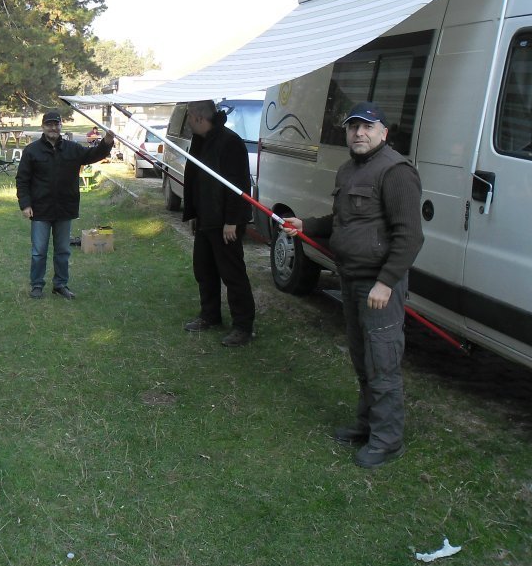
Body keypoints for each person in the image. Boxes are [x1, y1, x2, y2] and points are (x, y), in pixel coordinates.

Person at [283, 101, 424, 469]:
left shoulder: (396, 172)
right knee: (363, 359)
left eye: (367, 126)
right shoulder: (348, 170)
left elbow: (410, 236)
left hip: (378, 287)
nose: (359, 133)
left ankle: (388, 440)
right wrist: (307, 226)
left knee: (382, 361)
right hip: (350, 279)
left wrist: (386, 282)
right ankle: (367, 425)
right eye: (353, 127)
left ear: (383, 132)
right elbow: (342, 221)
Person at [180, 100, 256, 347]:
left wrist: (232, 220)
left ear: (199, 117)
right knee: (204, 269)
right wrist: (194, 213)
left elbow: (239, 184)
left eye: (189, 116)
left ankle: (243, 327)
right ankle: (210, 315)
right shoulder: (200, 141)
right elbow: (195, 179)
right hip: (206, 217)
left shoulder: (229, 142)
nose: (187, 122)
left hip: (226, 222)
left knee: (232, 274)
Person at [16, 110, 114, 299]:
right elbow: (22, 179)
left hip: (64, 208)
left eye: (56, 124)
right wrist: (25, 204)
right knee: (38, 252)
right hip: (40, 209)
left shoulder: (72, 148)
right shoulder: (31, 150)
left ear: (61, 126)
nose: (53, 128)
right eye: (49, 124)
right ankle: (37, 285)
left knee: (63, 251)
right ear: (43, 127)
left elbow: (93, 155)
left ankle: (60, 285)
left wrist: (107, 142)